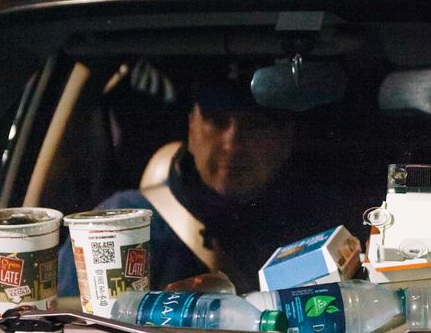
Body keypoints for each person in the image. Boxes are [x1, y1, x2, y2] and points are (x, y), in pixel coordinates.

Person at [58, 60, 310, 295]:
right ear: (192, 129)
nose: (232, 144)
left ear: (285, 138)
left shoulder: (315, 226)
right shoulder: (123, 227)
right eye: (217, 121)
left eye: (255, 124)